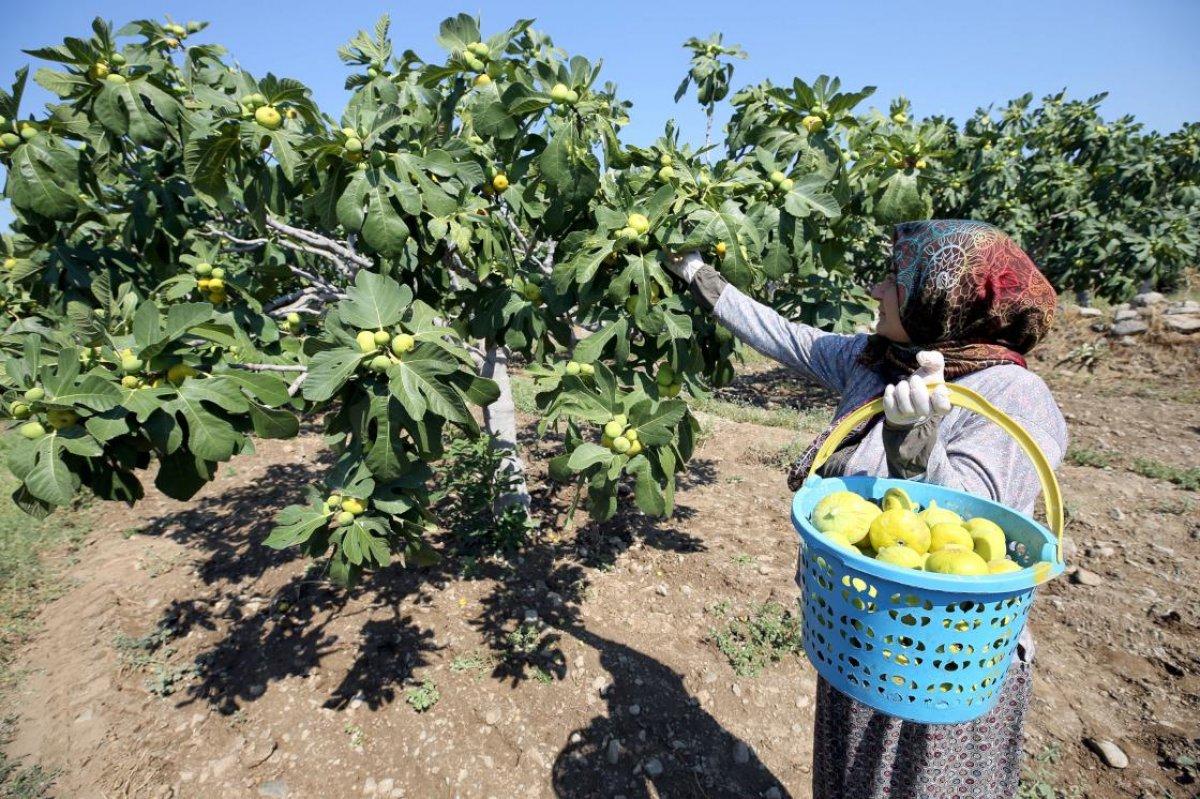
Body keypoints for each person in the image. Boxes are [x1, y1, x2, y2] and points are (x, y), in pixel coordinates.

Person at [665, 219, 1067, 799]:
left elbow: (976, 526)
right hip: (858, 639)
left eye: (892, 279)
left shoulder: (1012, 396)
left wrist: (917, 447)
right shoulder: (877, 361)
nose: (876, 290)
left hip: (940, 664)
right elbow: (785, 335)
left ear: (938, 296)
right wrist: (700, 277)